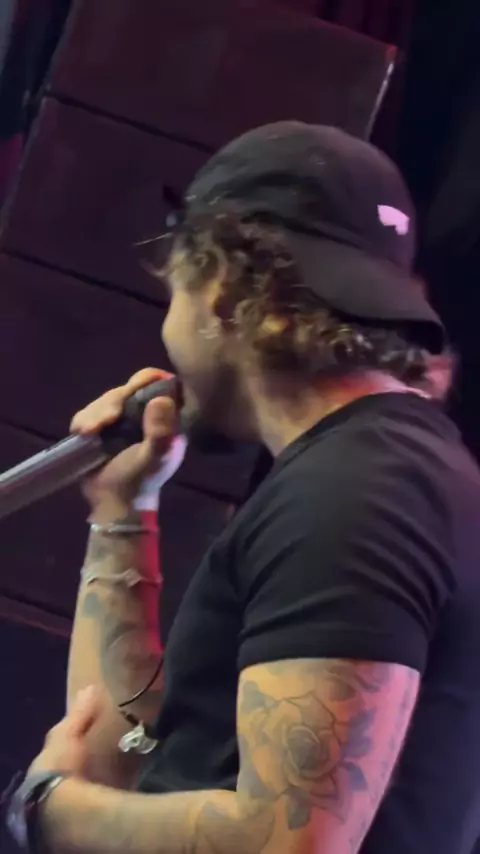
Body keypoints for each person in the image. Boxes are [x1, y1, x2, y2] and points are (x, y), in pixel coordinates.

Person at [6, 122, 480, 854]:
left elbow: (288, 842)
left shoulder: (358, 494)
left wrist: (44, 811)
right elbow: (133, 758)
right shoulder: (370, 474)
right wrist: (122, 513)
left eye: (174, 293)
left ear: (222, 289)